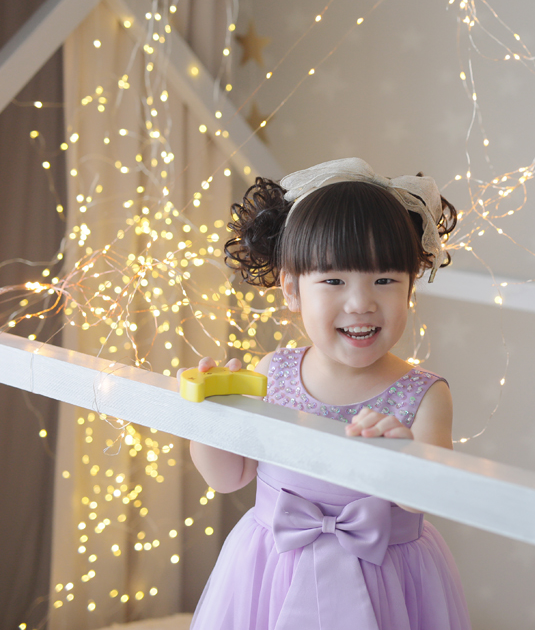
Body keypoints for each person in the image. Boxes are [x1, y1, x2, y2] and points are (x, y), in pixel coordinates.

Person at [185, 157, 470, 630]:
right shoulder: (273, 373)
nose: (361, 303)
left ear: (409, 288)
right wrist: (215, 418)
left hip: (387, 579)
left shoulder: (425, 395)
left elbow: (434, 496)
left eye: (385, 280)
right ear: (292, 290)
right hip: (274, 568)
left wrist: (402, 456)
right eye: (334, 281)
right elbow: (227, 477)